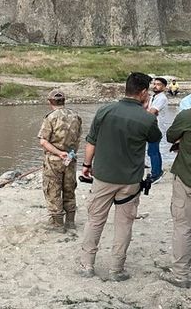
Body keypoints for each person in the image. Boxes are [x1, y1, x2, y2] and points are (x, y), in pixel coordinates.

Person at [78, 72, 162, 281]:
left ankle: (87, 266)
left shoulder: (104, 110)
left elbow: (92, 142)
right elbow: (155, 138)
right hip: (130, 181)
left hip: (103, 176)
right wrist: (145, 112)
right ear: (143, 93)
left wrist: (86, 165)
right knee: (124, 224)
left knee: (95, 221)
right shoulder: (147, 118)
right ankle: (117, 269)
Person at [37, 89, 82, 232]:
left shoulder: (50, 118)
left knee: (53, 189)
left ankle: (57, 223)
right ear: (64, 100)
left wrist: (59, 153)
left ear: (50, 102)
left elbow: (43, 141)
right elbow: (79, 138)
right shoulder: (76, 116)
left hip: (54, 160)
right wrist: (69, 153)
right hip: (71, 159)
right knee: (69, 188)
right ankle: (70, 221)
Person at [161, 105, 191, 288]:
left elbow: (170, 136)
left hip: (187, 178)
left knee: (183, 226)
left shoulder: (187, 116)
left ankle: (181, 274)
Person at [147, 77, 168, 183]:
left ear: (164, 87)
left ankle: (156, 173)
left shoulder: (162, 98)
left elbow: (152, 112)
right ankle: (155, 170)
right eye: (154, 84)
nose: (155, 86)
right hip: (151, 127)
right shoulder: (153, 97)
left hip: (157, 128)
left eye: (158, 84)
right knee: (152, 150)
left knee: (153, 150)